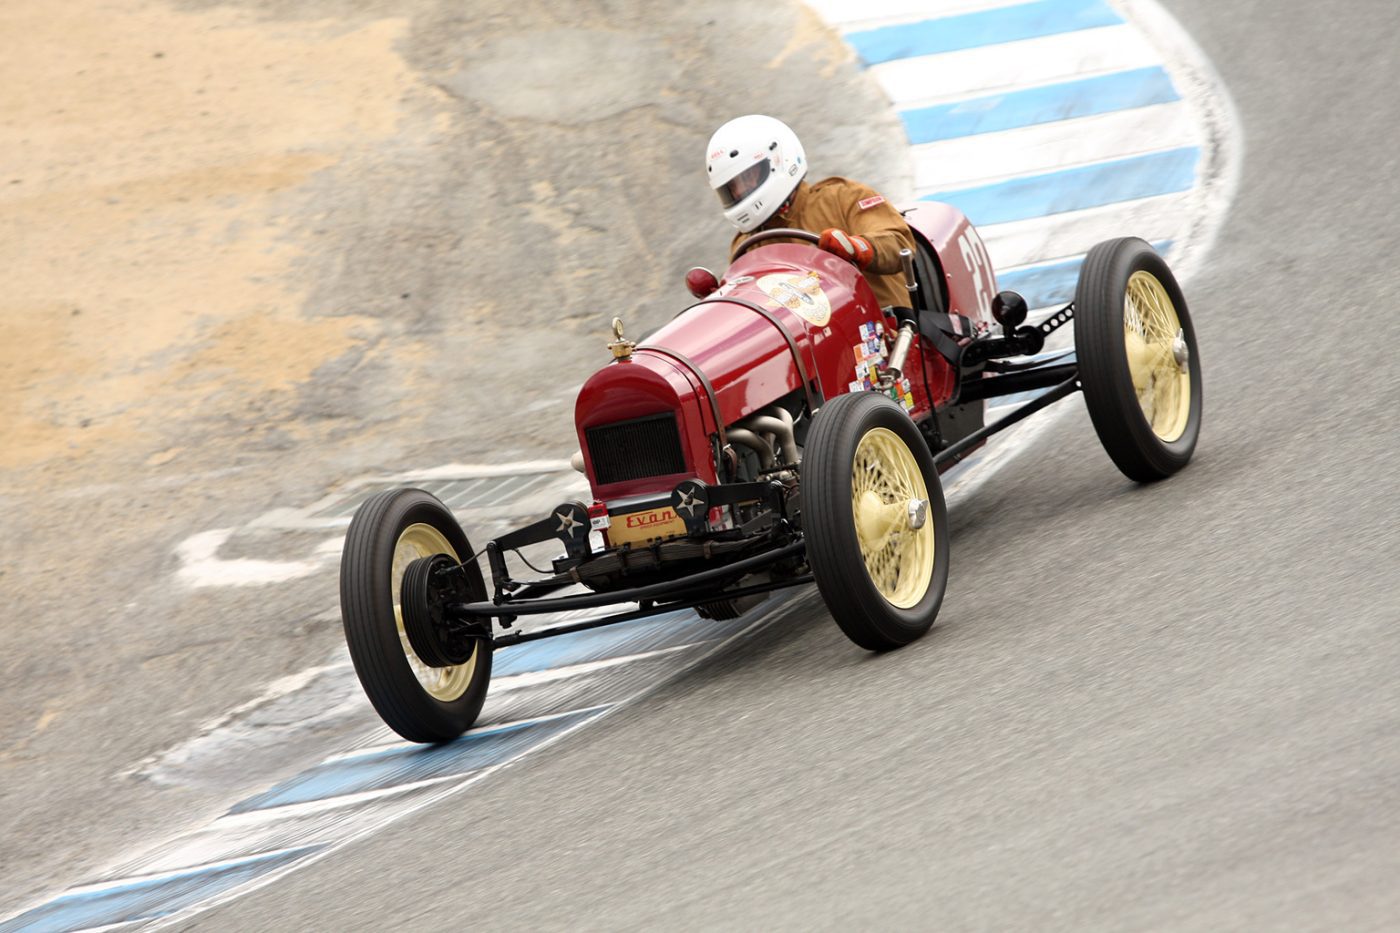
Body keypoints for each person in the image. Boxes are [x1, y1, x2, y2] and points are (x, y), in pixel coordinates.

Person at [703, 114, 917, 310]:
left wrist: (857, 248)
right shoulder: (747, 245)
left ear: (779, 160)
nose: (741, 191)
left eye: (748, 178)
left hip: (888, 335)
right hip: (812, 344)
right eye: (732, 189)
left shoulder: (843, 197)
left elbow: (899, 243)